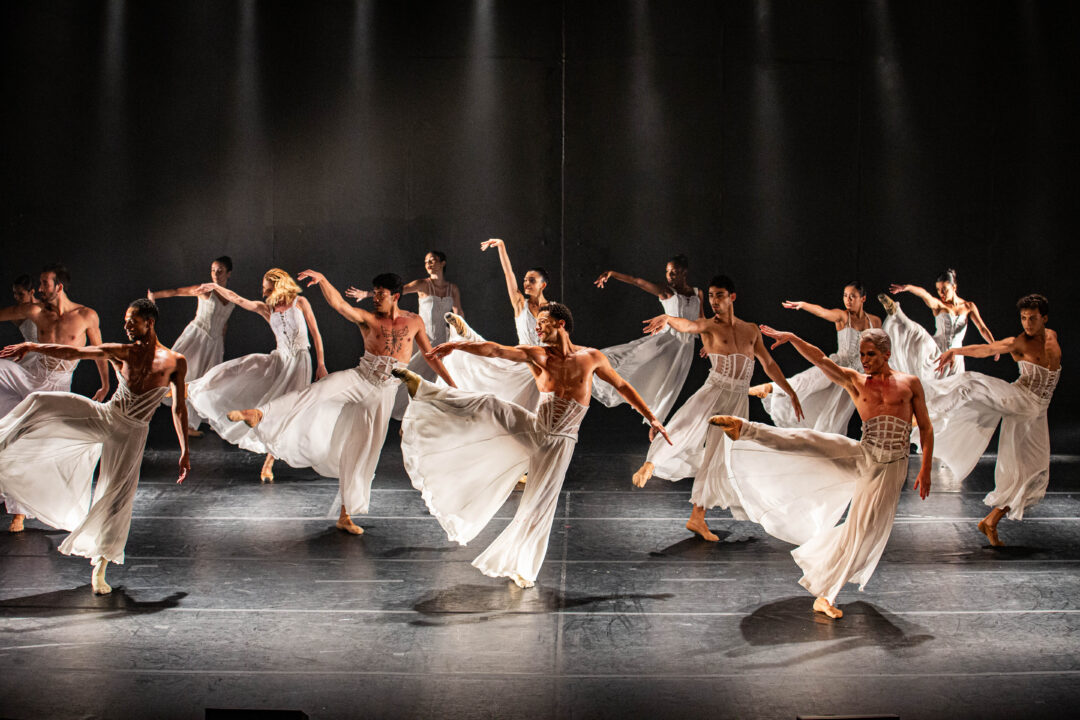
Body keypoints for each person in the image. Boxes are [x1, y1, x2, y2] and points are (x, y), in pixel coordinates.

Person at [397, 301, 669, 588]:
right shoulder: (538, 355)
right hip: (536, 428)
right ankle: (425, 391)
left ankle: (522, 566)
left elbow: (622, 386)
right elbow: (496, 350)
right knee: (489, 404)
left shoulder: (591, 358)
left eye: (543, 321)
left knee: (538, 504)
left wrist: (652, 418)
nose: (537, 326)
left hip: (559, 444)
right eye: (537, 322)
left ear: (560, 324)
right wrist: (458, 347)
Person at [711, 326, 932, 619]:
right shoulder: (856, 381)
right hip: (864, 454)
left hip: (892, 466)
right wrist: (793, 337)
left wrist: (926, 467)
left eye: (871, 354)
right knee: (809, 441)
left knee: (865, 531)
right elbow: (821, 361)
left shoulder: (910, 383)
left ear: (886, 354)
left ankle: (826, 589)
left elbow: (926, 427)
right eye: (862, 354)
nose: (864, 360)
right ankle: (746, 429)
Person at [227, 271, 455, 536]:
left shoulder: (414, 322)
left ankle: (345, 515)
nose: (375, 298)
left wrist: (450, 382)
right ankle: (259, 414)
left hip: (384, 393)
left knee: (363, 453)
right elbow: (339, 305)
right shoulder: (368, 319)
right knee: (317, 391)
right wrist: (324, 280)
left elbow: (430, 354)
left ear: (395, 297)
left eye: (381, 294)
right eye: (375, 292)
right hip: (361, 378)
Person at [0, 298, 189, 594]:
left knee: (115, 499)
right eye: (125, 320)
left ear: (149, 322)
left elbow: (178, 408)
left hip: (131, 434)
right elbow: (75, 351)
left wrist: (184, 451)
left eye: (132, 321)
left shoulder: (175, 362)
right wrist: (33, 346)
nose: (126, 326)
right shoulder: (123, 351)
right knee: (41, 401)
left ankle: (100, 568)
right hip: (107, 416)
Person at [631, 275, 802, 541]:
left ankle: (697, 518)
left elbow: (768, 363)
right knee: (686, 424)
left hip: (737, 400)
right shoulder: (708, 326)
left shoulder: (750, 330)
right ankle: (652, 463)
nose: (714, 301)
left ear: (732, 297)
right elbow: (688, 325)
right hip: (715, 389)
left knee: (721, 457)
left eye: (719, 295)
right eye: (710, 295)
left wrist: (788, 390)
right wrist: (668, 319)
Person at [927, 294, 1060, 547]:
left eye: (1032, 318)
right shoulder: (1019, 342)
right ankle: (928, 412)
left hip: (1037, 413)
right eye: (1023, 318)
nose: (1027, 323)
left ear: (1044, 318)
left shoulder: (1052, 335)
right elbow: (987, 349)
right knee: (973, 384)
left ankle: (990, 521)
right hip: (1020, 398)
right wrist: (956, 350)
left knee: (1034, 472)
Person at [186, 269, 327, 482]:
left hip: (300, 363)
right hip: (280, 360)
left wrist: (321, 364)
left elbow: (316, 334)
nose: (265, 292)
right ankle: (195, 387)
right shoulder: (266, 309)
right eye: (264, 288)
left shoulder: (300, 302)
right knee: (245, 366)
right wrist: (216, 287)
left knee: (287, 413)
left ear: (280, 285)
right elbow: (239, 299)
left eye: (268, 288)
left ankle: (270, 463)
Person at [0, 265, 111, 532]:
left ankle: (22, 512)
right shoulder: (36, 312)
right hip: (31, 378)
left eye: (44, 284)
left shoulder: (86, 315)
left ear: (59, 287)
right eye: (38, 284)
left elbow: (99, 350)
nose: (39, 290)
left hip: (57, 390)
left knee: (35, 448)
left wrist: (106, 384)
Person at [750, 282, 881, 434]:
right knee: (808, 381)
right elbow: (823, 312)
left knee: (835, 417)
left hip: (857, 374)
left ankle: (824, 442)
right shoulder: (843, 316)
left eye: (853, 296)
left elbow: (879, 348)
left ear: (863, 298)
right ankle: (772, 388)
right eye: (845, 296)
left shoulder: (875, 321)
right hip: (838, 365)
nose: (848, 300)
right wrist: (804, 305)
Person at [347, 250, 464, 420]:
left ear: (443, 263)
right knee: (407, 377)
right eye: (426, 262)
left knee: (438, 380)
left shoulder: (452, 288)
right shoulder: (422, 284)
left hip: (444, 338)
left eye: (432, 260)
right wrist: (367, 294)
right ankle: (383, 407)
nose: (429, 264)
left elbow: (458, 312)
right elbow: (396, 292)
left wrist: (461, 333)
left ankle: (431, 419)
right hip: (424, 338)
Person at [592, 255, 705, 423]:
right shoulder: (666, 291)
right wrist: (612, 274)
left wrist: (707, 343)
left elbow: (702, 321)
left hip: (685, 347)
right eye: (667, 272)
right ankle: (597, 366)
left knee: (669, 387)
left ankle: (656, 422)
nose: (669, 276)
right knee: (632, 357)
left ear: (684, 272)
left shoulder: (698, 293)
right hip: (666, 342)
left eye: (673, 272)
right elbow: (637, 281)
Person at [440, 238, 550, 410]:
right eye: (526, 280)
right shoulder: (520, 303)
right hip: (521, 359)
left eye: (532, 281)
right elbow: (509, 274)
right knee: (488, 361)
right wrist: (501, 246)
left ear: (542, 285)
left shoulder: (553, 309)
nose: (526, 284)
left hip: (545, 363)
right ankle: (465, 333)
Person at [148, 256, 236, 436]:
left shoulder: (232, 298)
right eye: (213, 270)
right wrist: (154, 296)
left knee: (205, 381)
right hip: (197, 337)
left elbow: (224, 323)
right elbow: (177, 291)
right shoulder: (205, 290)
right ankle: (148, 403)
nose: (215, 274)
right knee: (183, 374)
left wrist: (221, 345)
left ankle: (192, 425)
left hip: (214, 343)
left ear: (228, 274)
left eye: (220, 271)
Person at [879, 268, 995, 380]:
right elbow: (925, 294)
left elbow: (982, 328)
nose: (941, 293)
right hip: (937, 351)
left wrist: (994, 345)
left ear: (954, 287)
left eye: (945, 289)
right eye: (938, 290)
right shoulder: (939, 306)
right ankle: (896, 312)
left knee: (954, 391)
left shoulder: (968, 306)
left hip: (956, 357)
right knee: (918, 333)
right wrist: (907, 288)